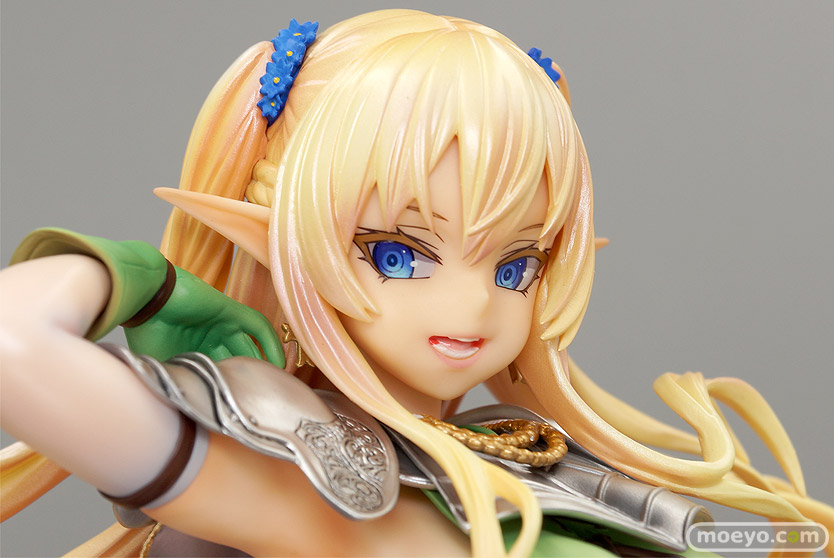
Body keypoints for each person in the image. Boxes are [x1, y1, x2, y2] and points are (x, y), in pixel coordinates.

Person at [1, 9, 831, 557]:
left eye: (514, 266)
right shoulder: (306, 484)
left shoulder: (527, 457)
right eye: (398, 255)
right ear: (288, 243)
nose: (472, 305)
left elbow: (741, 543)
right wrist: (143, 281)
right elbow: (13, 342)